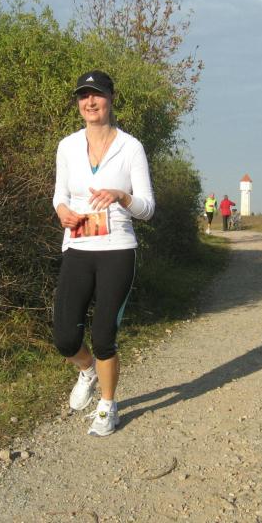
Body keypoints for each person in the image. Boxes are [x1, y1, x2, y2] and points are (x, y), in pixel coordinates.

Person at [52, 70, 155, 437]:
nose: (90, 102)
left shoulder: (131, 147)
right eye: (83, 96)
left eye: (96, 94)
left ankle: (108, 406)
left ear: (111, 98)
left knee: (103, 335)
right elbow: (60, 194)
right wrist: (61, 211)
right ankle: (87, 370)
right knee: (65, 337)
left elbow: (147, 208)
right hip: (78, 245)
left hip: (117, 249)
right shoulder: (67, 146)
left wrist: (122, 196)